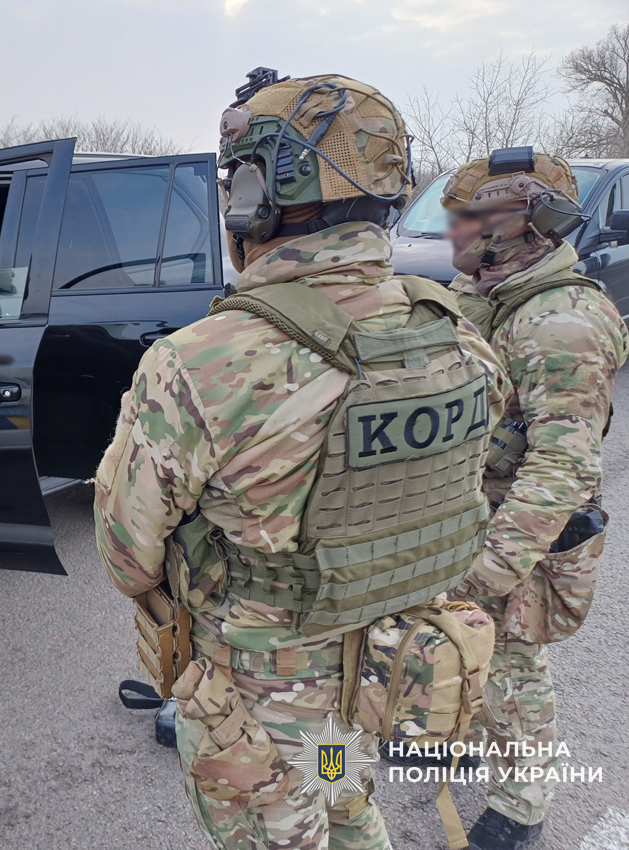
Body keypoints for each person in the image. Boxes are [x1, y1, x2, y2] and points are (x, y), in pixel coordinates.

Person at [94, 73, 510, 850]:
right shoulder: (455, 332)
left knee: (281, 832)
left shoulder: (202, 362)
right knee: (344, 794)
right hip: (379, 672)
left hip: (260, 703)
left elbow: (126, 558)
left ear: (256, 197)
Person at [442, 150, 628, 850]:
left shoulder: (562, 321)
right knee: (461, 649)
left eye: (468, 218)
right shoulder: (483, 297)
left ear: (520, 226)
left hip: (522, 532)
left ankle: (521, 806)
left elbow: (562, 464)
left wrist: (493, 565)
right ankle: (456, 741)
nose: (453, 232)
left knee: (512, 668)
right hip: (472, 515)